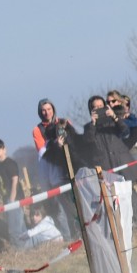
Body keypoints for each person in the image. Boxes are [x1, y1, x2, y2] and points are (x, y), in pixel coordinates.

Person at [32, 98, 81, 240]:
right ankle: (73, 237)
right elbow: (43, 154)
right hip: (55, 175)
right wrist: (55, 144)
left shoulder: (64, 122)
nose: (46, 112)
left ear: (53, 109)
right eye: (43, 110)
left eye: (49, 109)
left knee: (79, 205)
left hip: (71, 169)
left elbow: (75, 140)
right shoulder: (38, 130)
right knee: (66, 210)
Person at [0, 138, 26, 247]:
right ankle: (28, 248)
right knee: (20, 227)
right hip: (7, 201)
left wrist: (12, 200)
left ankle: (19, 250)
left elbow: (15, 181)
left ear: (4, 149)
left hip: (15, 200)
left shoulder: (10, 163)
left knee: (14, 230)